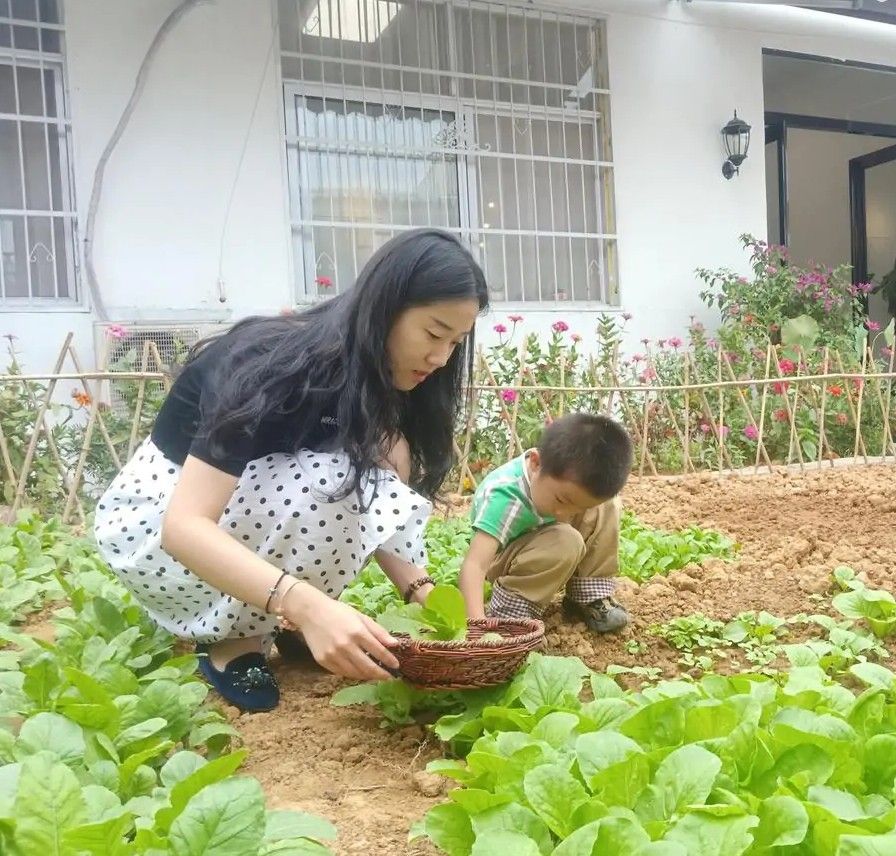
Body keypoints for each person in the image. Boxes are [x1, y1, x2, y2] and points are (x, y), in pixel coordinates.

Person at [94, 228, 488, 712]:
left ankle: (286, 615)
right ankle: (237, 641)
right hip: (156, 531)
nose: (440, 357)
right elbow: (183, 527)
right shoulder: (268, 363)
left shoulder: (376, 378)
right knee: (329, 481)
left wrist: (424, 594)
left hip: (237, 519)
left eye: (455, 342)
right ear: (385, 307)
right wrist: (309, 604)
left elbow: (379, 497)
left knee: (387, 452)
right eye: (432, 333)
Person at [458, 413, 633, 633]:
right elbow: (475, 565)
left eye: (577, 508)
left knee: (606, 505)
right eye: (561, 500)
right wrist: (476, 624)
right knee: (566, 540)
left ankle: (589, 595)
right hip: (505, 560)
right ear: (535, 463)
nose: (565, 513)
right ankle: (512, 614)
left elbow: (575, 506)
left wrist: (577, 506)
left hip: (543, 540)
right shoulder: (505, 498)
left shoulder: (557, 487)